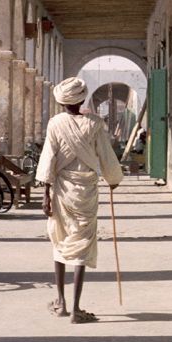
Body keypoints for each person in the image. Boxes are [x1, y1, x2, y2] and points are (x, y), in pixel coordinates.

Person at [36, 76, 123, 323]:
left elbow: (48, 158)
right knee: (81, 246)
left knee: (60, 242)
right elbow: (106, 155)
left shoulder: (55, 124)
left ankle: (61, 303)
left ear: (62, 102)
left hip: (60, 190)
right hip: (84, 191)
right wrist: (113, 178)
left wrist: (45, 195)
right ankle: (75, 309)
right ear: (83, 99)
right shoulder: (94, 124)